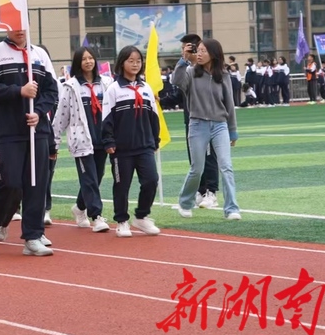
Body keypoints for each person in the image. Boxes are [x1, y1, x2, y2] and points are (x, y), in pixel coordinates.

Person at [0, 29, 57, 257]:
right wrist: (19, 91)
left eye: (24, 25)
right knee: (10, 182)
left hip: (37, 130)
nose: (20, 30)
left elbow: (52, 91)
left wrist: (39, 112)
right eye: (15, 25)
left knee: (36, 184)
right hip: (7, 131)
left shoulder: (39, 54)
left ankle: (32, 236)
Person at [174, 38, 241, 220]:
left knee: (226, 166)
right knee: (197, 168)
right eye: (198, 50)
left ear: (213, 54)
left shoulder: (223, 75)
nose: (199, 54)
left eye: (204, 51)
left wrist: (233, 130)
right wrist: (183, 59)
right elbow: (176, 81)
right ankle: (185, 202)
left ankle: (232, 209)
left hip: (220, 125)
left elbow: (229, 103)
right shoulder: (190, 72)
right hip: (197, 125)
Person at [101, 46, 162, 237]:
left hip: (145, 146)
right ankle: (122, 220)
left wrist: (155, 139)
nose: (135, 64)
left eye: (138, 61)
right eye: (131, 61)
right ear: (122, 63)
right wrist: (109, 141)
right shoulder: (114, 89)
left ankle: (141, 216)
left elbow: (153, 116)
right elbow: (107, 118)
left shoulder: (146, 88)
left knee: (151, 180)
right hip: (121, 149)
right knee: (122, 185)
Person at [52, 47, 113, 233]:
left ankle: (79, 207)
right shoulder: (70, 86)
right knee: (89, 178)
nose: (88, 61)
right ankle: (97, 216)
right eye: (84, 59)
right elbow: (62, 114)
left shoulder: (106, 83)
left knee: (97, 176)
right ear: (78, 63)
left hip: (102, 138)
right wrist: (54, 141)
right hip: (82, 140)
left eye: (91, 58)